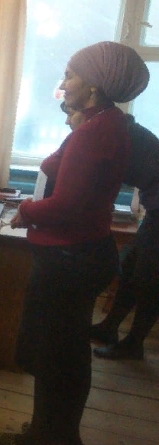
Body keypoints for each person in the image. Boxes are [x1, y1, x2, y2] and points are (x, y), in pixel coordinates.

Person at [0, 41, 149, 445]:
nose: (63, 84)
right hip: (84, 253)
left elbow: (66, 205)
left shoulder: (93, 133)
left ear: (93, 85)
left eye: (70, 75)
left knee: (57, 357)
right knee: (65, 353)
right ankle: (51, 433)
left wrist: (27, 209)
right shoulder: (108, 123)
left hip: (69, 258)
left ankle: (50, 437)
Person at [90, 117, 159, 360]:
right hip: (155, 207)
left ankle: (134, 344)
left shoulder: (113, 132)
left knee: (149, 279)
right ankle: (109, 326)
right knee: (131, 267)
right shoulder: (117, 128)